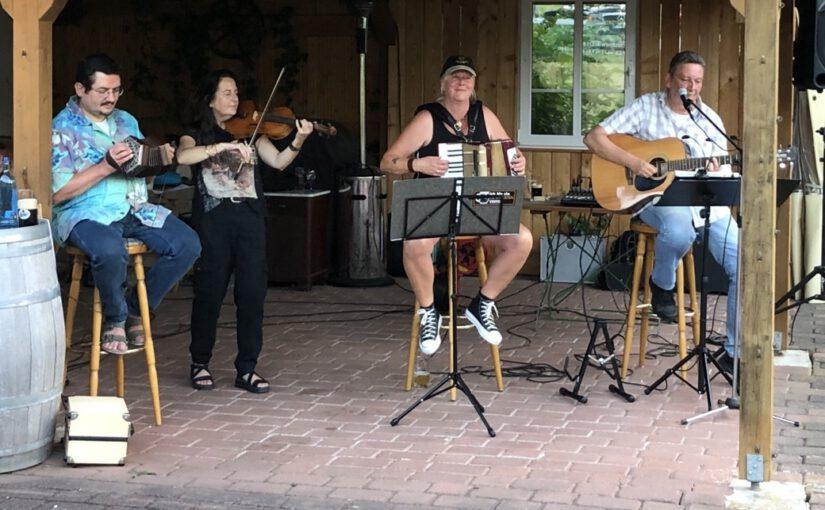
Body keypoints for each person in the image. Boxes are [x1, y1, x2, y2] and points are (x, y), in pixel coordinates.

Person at [583, 50, 739, 373]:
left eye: (697, 81)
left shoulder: (710, 119)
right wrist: (635, 163)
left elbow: (722, 173)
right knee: (680, 229)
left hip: (704, 203)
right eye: (685, 79)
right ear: (669, 79)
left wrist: (713, 168)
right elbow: (594, 138)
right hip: (656, 202)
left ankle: (733, 352)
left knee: (745, 263)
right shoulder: (645, 108)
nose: (691, 87)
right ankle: (662, 284)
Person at [380, 55, 532, 356]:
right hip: (436, 203)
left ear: (473, 84)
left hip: (479, 204)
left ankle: (483, 303)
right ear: (443, 83)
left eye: (467, 77)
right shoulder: (428, 118)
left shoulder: (483, 115)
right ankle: (429, 312)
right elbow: (387, 161)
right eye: (454, 76)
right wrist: (417, 162)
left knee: (522, 240)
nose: (461, 81)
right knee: (414, 246)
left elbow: (508, 151)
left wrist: (518, 160)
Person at [52, 53, 201, 356]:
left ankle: (135, 309)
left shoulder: (126, 120)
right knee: (110, 250)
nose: (111, 98)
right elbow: (58, 194)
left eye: (116, 90)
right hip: (85, 214)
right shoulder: (61, 129)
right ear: (80, 89)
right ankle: (115, 320)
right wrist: (106, 165)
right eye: (103, 91)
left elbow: (141, 169)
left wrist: (160, 160)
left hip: (134, 207)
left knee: (188, 244)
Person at [177, 69, 313, 393]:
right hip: (214, 221)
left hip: (250, 218)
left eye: (236, 92)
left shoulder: (252, 133)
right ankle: (200, 362)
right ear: (210, 99)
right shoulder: (196, 133)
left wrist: (299, 139)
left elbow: (279, 161)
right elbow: (184, 156)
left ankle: (247, 367)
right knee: (209, 292)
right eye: (227, 92)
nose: (234, 98)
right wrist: (220, 148)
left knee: (252, 293)